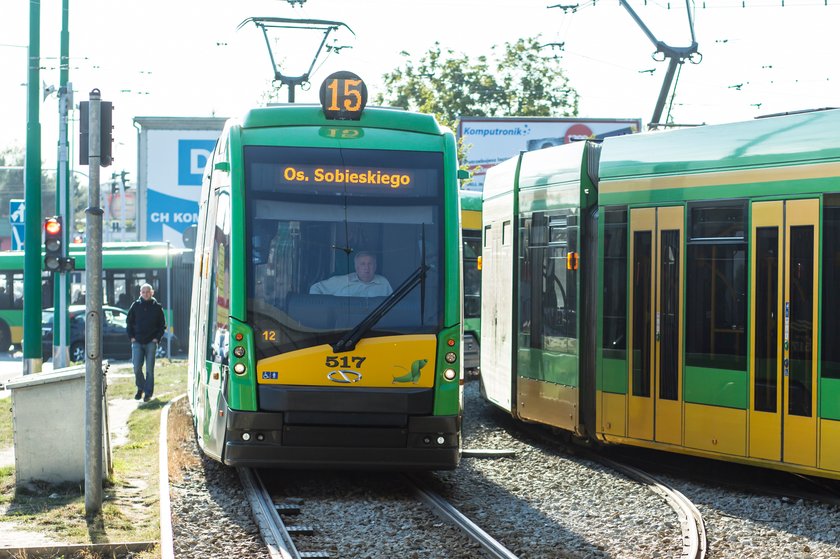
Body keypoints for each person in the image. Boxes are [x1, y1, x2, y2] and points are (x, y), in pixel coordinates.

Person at [126, 283, 166, 402]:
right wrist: (131, 337)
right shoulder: (135, 306)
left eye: (148, 292)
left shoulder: (157, 307)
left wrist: (157, 339)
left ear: (152, 293)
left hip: (151, 343)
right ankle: (141, 387)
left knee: (149, 370)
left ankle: (148, 393)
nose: (146, 294)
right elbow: (128, 322)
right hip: (137, 342)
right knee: (137, 368)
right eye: (143, 292)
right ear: (140, 293)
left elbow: (162, 326)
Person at [309, 251, 393, 297]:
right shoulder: (342, 281)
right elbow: (315, 289)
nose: (367, 267)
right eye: (362, 264)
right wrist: (327, 310)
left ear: (375, 266)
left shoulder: (384, 282)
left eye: (370, 264)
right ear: (356, 267)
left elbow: (392, 306)